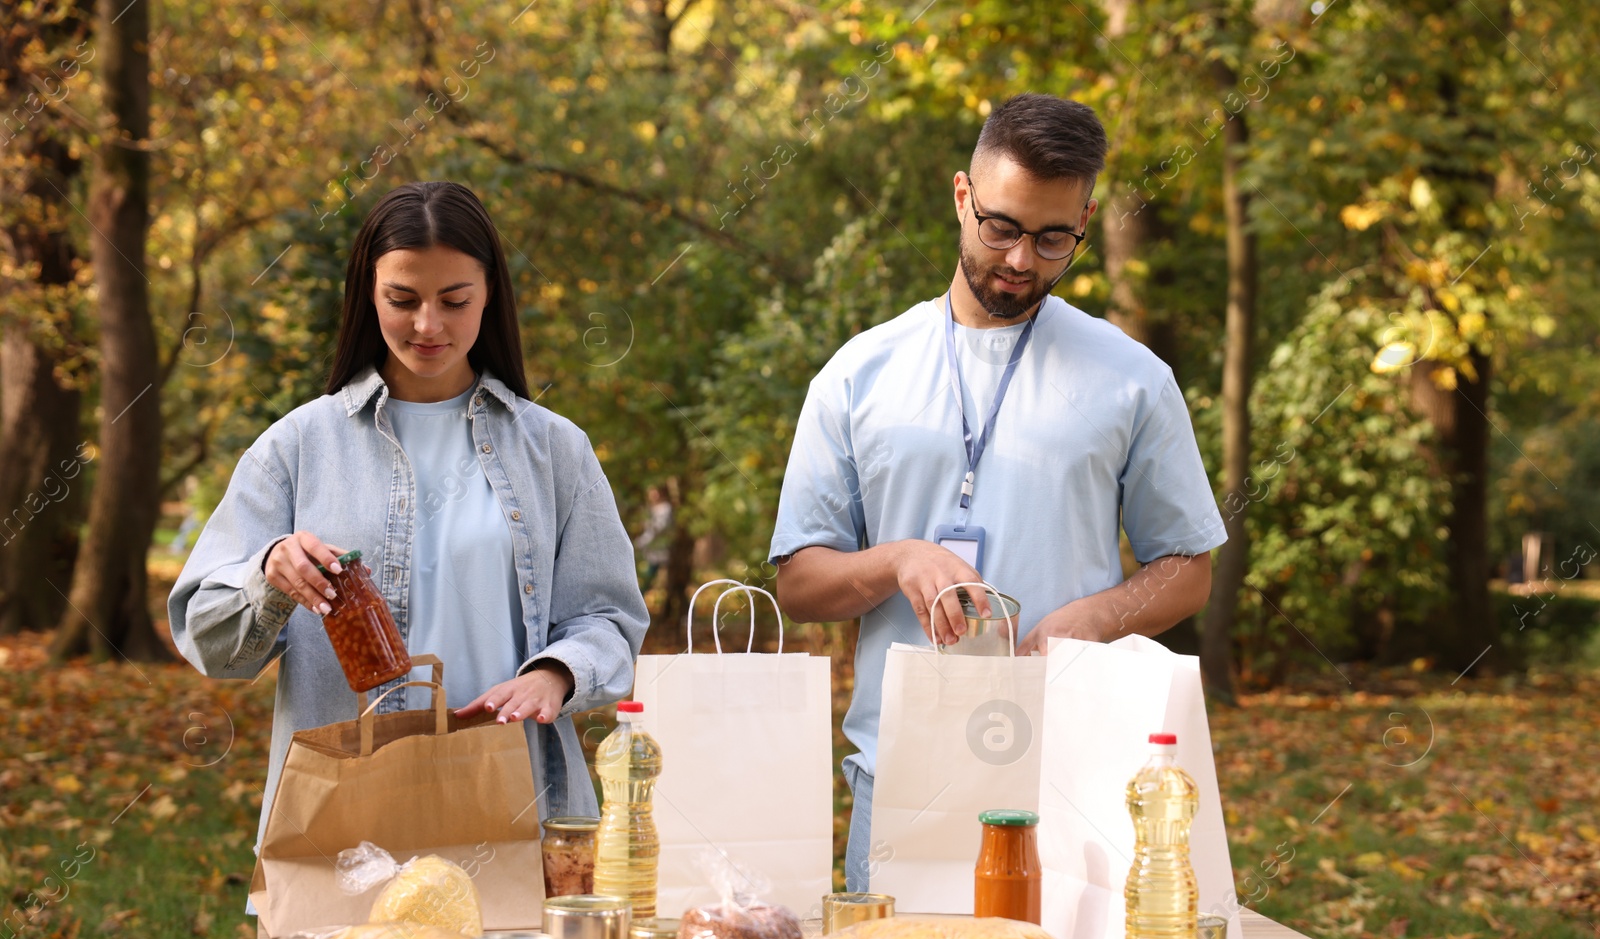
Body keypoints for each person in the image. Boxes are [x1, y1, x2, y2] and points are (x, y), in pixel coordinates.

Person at [768, 94, 1226, 892]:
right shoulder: (858, 374)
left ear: (1085, 217)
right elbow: (800, 582)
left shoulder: (1133, 378)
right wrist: (898, 560)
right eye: (1002, 227)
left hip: (1072, 776)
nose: (1021, 260)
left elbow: (1188, 567)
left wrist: (1094, 616)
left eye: (1054, 238)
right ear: (960, 196)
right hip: (901, 780)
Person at [169, 182, 649, 886]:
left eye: (454, 300)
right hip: (350, 818)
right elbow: (210, 641)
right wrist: (269, 572)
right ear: (368, 294)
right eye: (402, 299)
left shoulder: (556, 450)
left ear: (490, 296)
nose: (429, 324)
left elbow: (611, 619)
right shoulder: (298, 446)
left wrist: (557, 671)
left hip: (515, 792)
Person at [633, 485, 674, 591]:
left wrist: (640, 543)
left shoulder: (665, 508)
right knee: (645, 581)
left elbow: (656, 530)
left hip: (660, 551)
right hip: (649, 552)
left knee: (662, 582)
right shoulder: (649, 509)